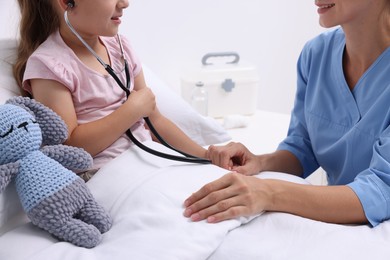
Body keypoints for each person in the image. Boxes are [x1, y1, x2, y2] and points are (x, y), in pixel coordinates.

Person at [184, 0, 390, 227]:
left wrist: (269, 192)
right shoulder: (316, 55)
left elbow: (381, 191)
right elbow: (303, 148)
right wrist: (259, 162)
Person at [13, 0, 208, 179]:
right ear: (68, 2)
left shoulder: (121, 47)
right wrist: (131, 111)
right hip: (102, 176)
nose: (124, 3)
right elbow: (70, 147)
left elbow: (155, 121)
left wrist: (207, 156)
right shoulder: (49, 64)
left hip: (150, 161)